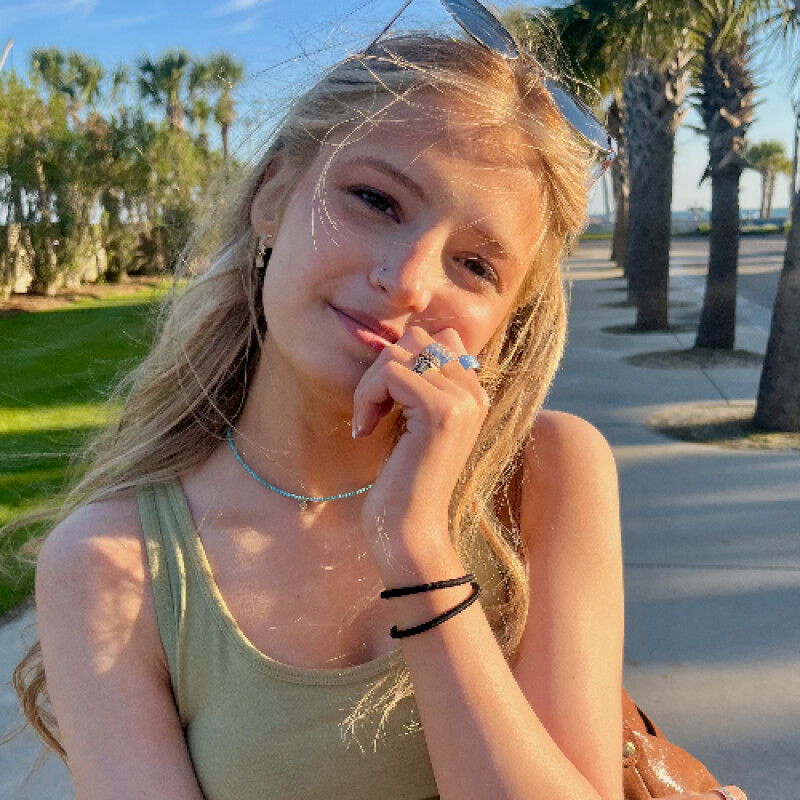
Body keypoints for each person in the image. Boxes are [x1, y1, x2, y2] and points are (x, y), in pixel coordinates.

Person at [10, 5, 747, 800]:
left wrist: (418, 548)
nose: (408, 281)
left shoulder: (547, 475)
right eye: (376, 200)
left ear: (507, 319)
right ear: (272, 194)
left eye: (475, 265)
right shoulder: (110, 562)